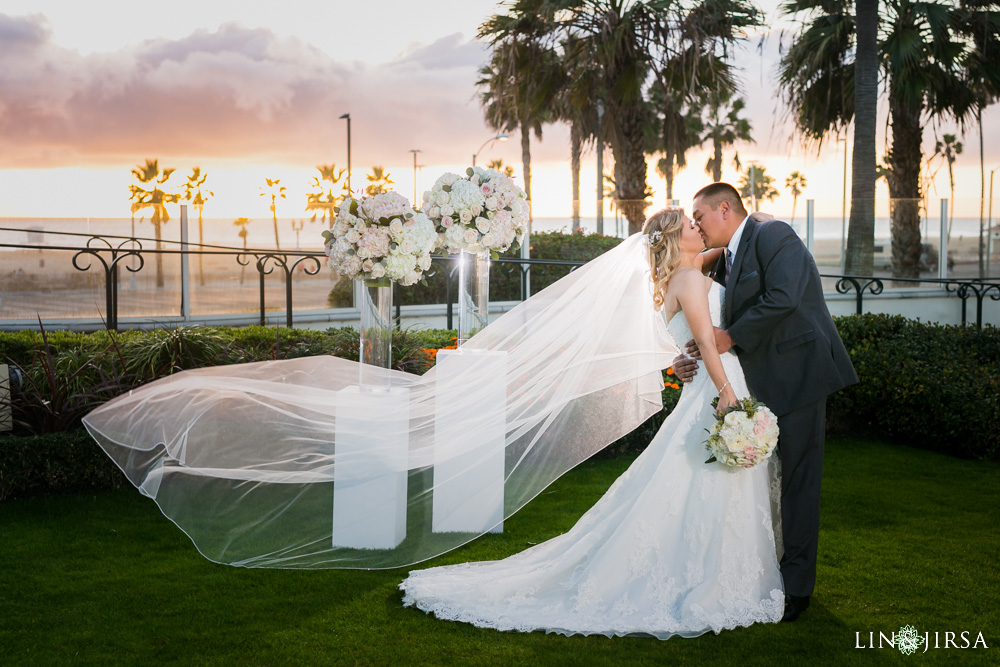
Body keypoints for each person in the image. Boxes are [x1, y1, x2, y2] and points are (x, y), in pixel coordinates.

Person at [399, 207, 785, 638]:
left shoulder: (683, 276)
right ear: (676, 240)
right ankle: (713, 575)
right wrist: (727, 394)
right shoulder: (690, 280)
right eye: (691, 224)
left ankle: (721, 568)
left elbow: (706, 302)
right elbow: (709, 345)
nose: (700, 226)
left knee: (700, 480)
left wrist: (757, 226)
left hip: (708, 386)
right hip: (718, 388)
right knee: (705, 482)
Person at [673, 183, 858, 622]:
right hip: (760, 382)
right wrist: (686, 353)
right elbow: (700, 307)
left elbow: (784, 298)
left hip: (800, 377)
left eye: (699, 215)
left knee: (798, 484)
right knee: (767, 486)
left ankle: (797, 590)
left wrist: (728, 337)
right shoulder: (729, 257)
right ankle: (764, 571)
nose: (696, 223)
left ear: (725, 208)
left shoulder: (773, 236)